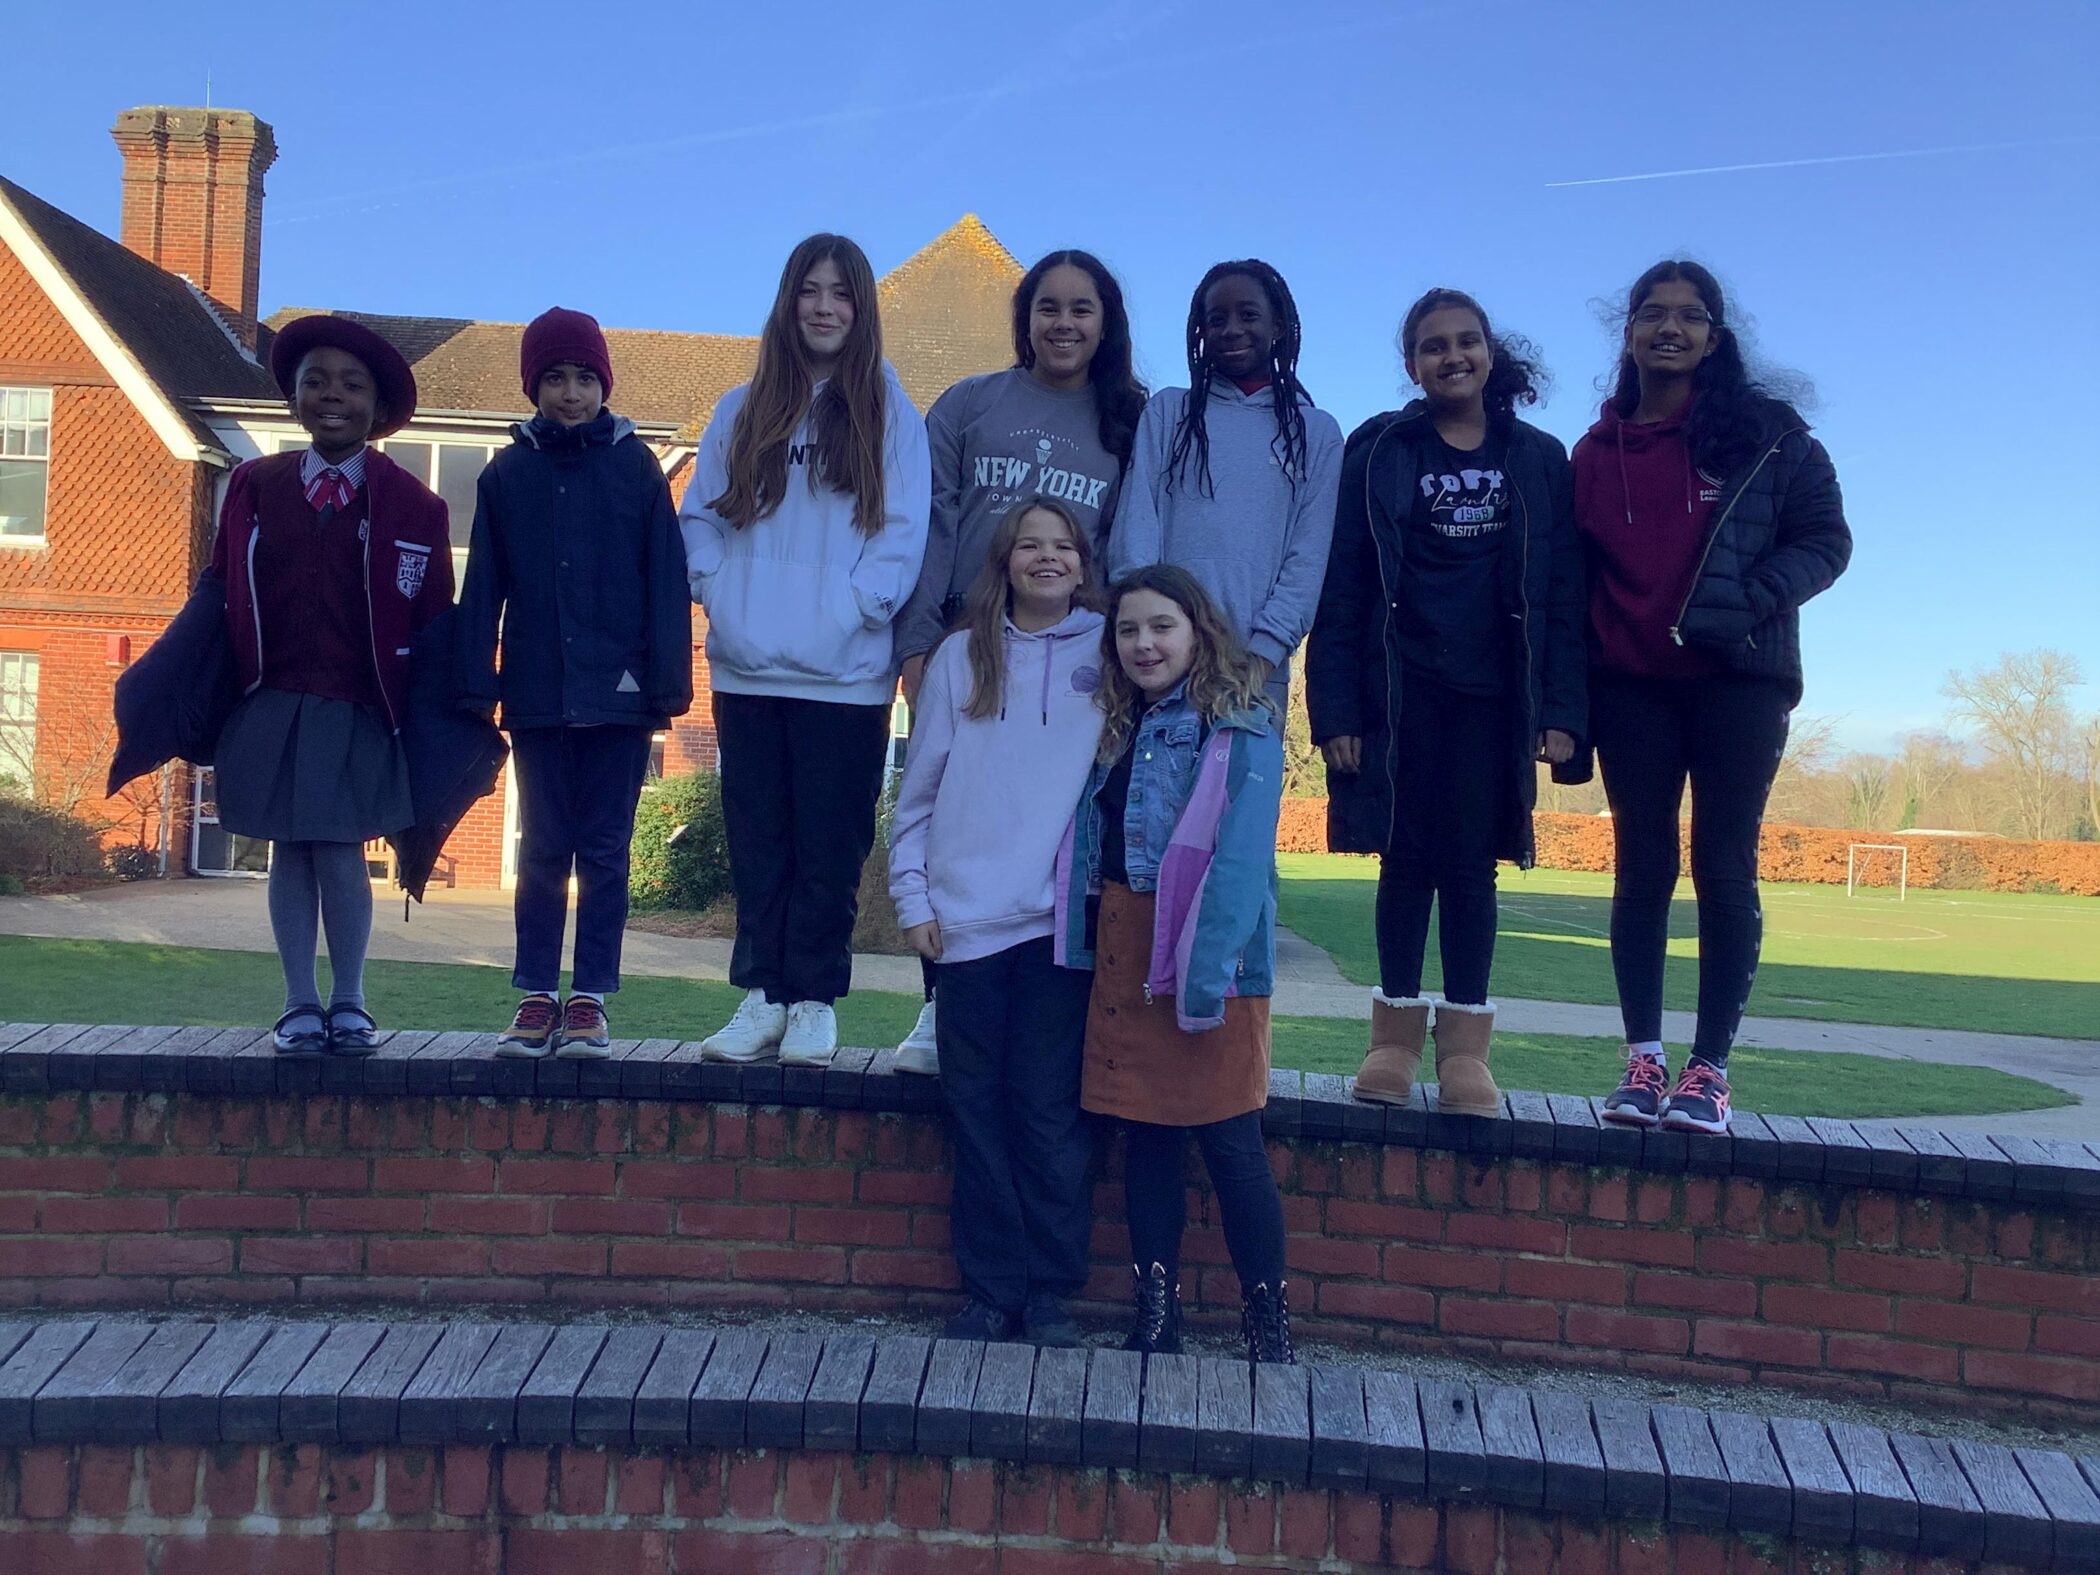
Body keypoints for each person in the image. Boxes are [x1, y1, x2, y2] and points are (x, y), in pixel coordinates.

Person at [1577, 260, 1851, 1134]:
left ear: (1714, 337)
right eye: (1652, 314)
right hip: (1631, 688)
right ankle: (1643, 1060)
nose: (1669, 328)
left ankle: (1710, 1072)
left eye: (1689, 317)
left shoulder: (1768, 436)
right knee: (1642, 865)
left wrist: (1750, 599)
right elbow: (1570, 575)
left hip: (1737, 680)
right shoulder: (1594, 451)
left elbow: (1827, 539)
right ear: (1628, 334)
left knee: (1723, 864)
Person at [1306, 288, 1586, 1116]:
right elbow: (1343, 584)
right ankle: (1390, 1041)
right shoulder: (1381, 450)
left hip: (1495, 698)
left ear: (1491, 355)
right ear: (1411, 364)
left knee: (1472, 868)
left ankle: (1465, 1048)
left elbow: (1562, 591)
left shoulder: (1539, 457)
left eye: (1466, 342)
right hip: (1401, 690)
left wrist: (1562, 708)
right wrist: (1337, 713)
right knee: (1405, 860)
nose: (1451, 356)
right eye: (1433, 346)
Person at [887, 249, 1146, 1072]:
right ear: (1024, 318)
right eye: (1047, 308)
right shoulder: (970, 403)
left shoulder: (1128, 419)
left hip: (1072, 651)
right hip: (972, 643)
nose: (1063, 324)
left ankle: (1053, 1013)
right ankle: (939, 1005)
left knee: (1049, 830)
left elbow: (1125, 547)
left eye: (1081, 309)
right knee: (950, 816)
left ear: (1105, 324)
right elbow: (928, 526)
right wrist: (919, 640)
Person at [678, 234, 931, 1067]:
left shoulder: (891, 413)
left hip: (847, 678)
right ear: (787, 303)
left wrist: (853, 610)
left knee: (829, 847)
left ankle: (815, 1000)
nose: (824, 307)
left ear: (862, 309)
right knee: (759, 842)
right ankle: (763, 997)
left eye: (841, 293)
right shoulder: (737, 409)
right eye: (809, 291)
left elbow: (901, 537)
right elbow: (701, 524)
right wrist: (722, 595)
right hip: (748, 667)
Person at [1056, 565, 1292, 1364]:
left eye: (1160, 626)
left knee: (1231, 1143)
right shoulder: (1117, 723)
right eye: (1128, 630)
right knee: (1148, 1141)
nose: (1144, 643)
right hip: (1127, 943)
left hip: (1210, 953)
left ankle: (1268, 1326)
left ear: (1197, 630)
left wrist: (1203, 976)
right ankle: (1157, 1319)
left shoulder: (1242, 721)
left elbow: (1240, 860)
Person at [888, 498, 1106, 1345]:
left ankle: (1050, 1291)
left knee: (1048, 1112)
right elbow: (921, 789)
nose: (1047, 557)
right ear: (1005, 560)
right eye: (1029, 544)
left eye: (1063, 546)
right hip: (965, 927)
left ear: (1084, 564)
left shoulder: (1110, 652)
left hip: (1060, 927)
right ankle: (990, 1292)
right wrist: (914, 900)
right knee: (973, 1110)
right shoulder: (956, 657)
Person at [209, 315, 451, 1055]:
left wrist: (444, 720)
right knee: (290, 847)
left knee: (341, 848)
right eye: (315, 381)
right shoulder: (253, 486)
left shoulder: (418, 506)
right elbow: (219, 592)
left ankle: (349, 999)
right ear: (295, 397)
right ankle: (297, 1002)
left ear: (378, 408)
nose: (331, 396)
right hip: (276, 697)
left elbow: (435, 618)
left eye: (351, 384)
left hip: (361, 703)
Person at [457, 307, 693, 1059]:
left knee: (605, 850)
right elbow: (483, 584)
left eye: (584, 377)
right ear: (534, 386)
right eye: (555, 377)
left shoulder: (635, 468)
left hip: (619, 700)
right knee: (541, 849)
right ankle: (535, 994)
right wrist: (475, 682)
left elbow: (665, 577)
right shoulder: (507, 474)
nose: (570, 392)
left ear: (603, 384)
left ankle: (589, 996)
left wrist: (666, 683)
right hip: (536, 693)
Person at [1106, 259, 1342, 712]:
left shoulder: (1315, 432)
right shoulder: (1168, 413)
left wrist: (1262, 658)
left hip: (1253, 675)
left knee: (1234, 786)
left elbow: (1308, 557)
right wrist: (1147, 633)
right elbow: (1136, 526)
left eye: (1248, 315)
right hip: (1158, 665)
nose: (1231, 329)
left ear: (1278, 326)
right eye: (1217, 319)